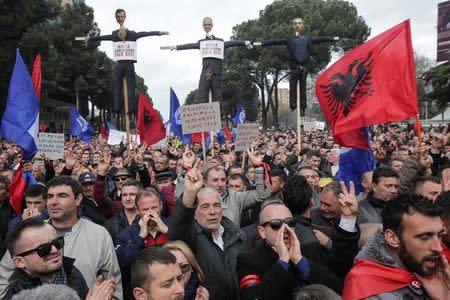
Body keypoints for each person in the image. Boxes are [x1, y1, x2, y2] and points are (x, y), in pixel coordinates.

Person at [0, 176, 123, 299]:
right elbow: (4, 277)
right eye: (49, 196)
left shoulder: (99, 234)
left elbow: (112, 283)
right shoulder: (28, 235)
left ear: (78, 199)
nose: (54, 201)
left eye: (62, 196)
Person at [168, 159, 249, 300]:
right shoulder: (190, 238)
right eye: (205, 207)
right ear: (194, 212)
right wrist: (190, 194)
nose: (213, 211)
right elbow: (177, 229)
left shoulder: (238, 235)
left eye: (217, 205)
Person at [343, 194, 449, 299]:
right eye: (425, 237)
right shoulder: (363, 287)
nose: (439, 248)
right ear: (393, 238)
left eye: (439, 235)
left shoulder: (441, 274)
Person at [237, 198, 344, 300]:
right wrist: (282, 262)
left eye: (290, 222)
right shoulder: (248, 260)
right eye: (276, 224)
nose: (285, 229)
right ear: (262, 231)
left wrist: (300, 261)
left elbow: (337, 289)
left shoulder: (309, 250)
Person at [85, 9, 169, 113]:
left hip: (129, 64)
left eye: (122, 16)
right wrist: (90, 38)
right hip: (119, 64)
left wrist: (159, 33)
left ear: (125, 17)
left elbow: (145, 34)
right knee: (117, 86)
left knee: (131, 87)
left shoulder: (132, 34)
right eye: (118, 17)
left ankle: (131, 109)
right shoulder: (114, 34)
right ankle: (116, 108)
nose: (120, 18)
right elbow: (103, 37)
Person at [257, 18, 340, 113]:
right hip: (295, 66)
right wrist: (262, 43)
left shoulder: (308, 38)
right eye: (295, 23)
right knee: (292, 85)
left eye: (299, 23)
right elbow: (276, 41)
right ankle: (293, 104)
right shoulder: (289, 39)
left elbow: (321, 39)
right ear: (293, 26)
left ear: (302, 25)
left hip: (305, 67)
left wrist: (333, 38)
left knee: (303, 87)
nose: (297, 25)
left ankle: (303, 107)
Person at [165, 17, 252, 104]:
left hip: (216, 73)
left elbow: (230, 43)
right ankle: (205, 116)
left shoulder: (219, 42)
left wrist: (244, 42)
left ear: (212, 25)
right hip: (206, 72)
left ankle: (218, 116)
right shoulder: (202, 43)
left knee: (217, 96)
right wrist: (176, 47)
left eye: (209, 24)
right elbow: (190, 46)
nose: (207, 26)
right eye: (205, 24)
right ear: (203, 26)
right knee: (202, 95)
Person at [175, 148, 271, 226]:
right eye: (215, 180)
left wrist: (258, 166)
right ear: (205, 182)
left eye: (223, 180)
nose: (220, 184)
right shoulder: (197, 197)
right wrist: (186, 166)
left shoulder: (236, 197)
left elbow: (262, 195)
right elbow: (180, 199)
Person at [3, 219, 89, 299]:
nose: (55, 250)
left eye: (57, 242)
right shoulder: (17, 297)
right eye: (43, 249)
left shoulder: (71, 272)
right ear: (20, 262)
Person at [115, 187, 169, 300]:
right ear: (138, 210)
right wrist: (140, 237)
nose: (151, 213)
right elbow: (123, 264)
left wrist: (167, 231)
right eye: (145, 209)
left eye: (154, 208)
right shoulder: (126, 234)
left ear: (161, 206)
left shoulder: (174, 226)